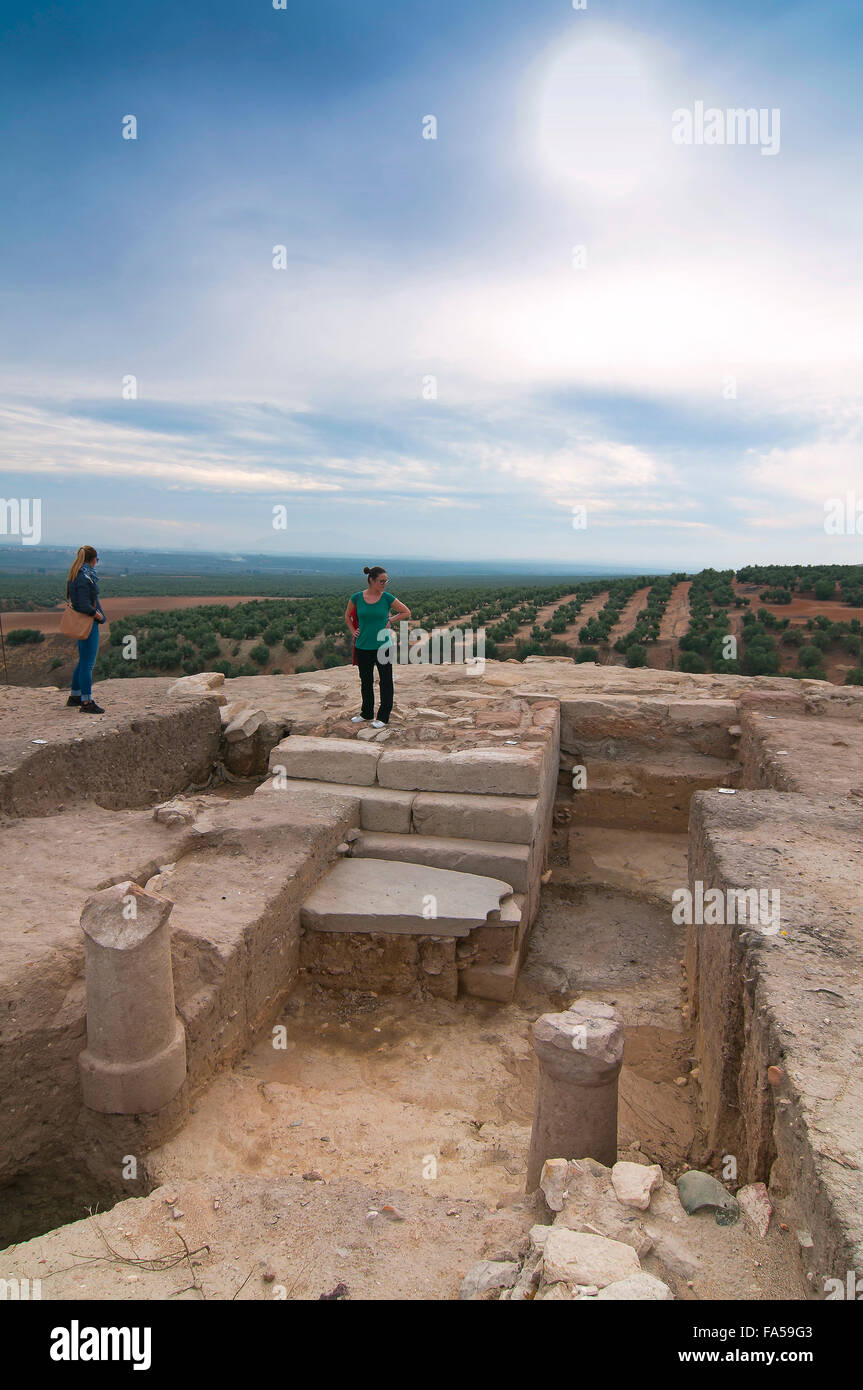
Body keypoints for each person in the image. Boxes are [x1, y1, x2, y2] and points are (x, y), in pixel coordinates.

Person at [345, 565, 411, 727]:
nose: (384, 583)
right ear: (371, 580)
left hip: (383, 646)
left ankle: (383, 717)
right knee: (366, 681)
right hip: (363, 646)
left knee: (386, 681)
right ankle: (366, 713)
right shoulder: (357, 598)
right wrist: (353, 630)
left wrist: (390, 620)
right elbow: (347, 616)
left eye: (386, 580)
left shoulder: (387, 598)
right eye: (381, 581)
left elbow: (406, 612)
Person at [66, 545, 106, 713]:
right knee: (88, 664)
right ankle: (87, 702)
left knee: (83, 661)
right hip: (88, 623)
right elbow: (83, 604)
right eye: (97, 559)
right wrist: (97, 615)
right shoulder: (85, 577)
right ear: (94, 559)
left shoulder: (76, 574)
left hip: (82, 623)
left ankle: (75, 696)